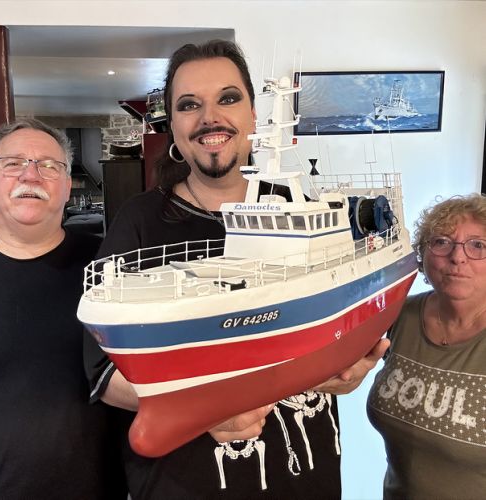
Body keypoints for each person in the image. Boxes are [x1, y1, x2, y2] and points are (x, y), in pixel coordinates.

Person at [84, 40, 388, 499]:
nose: (210, 117)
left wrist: (353, 365)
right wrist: (203, 407)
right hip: (187, 486)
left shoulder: (308, 209)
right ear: (172, 126)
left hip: (307, 480)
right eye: (189, 105)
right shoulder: (139, 221)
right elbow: (101, 368)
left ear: (253, 115)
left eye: (228, 98)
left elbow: (361, 309)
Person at [0, 118, 126, 499]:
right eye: (12, 163)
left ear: (66, 186)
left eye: (49, 165)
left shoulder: (110, 267)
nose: (30, 175)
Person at [367, 193, 486, 499]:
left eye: (478, 245)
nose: (457, 257)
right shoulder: (399, 314)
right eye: (442, 242)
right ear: (422, 255)